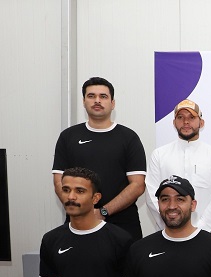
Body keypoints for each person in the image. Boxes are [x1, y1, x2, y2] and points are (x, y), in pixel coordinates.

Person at [52, 77, 147, 240]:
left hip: (123, 224)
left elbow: (138, 185)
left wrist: (103, 212)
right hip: (79, 224)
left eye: (103, 96)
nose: (97, 100)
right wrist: (83, 212)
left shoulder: (129, 137)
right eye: (91, 96)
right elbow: (58, 182)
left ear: (112, 103)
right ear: (83, 101)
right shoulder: (68, 136)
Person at [145, 99, 211, 235]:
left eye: (191, 117)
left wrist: (200, 229)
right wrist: (172, 225)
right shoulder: (159, 155)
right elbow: (151, 194)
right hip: (169, 232)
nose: (186, 122)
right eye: (180, 117)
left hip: (207, 234)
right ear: (174, 123)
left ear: (201, 122)